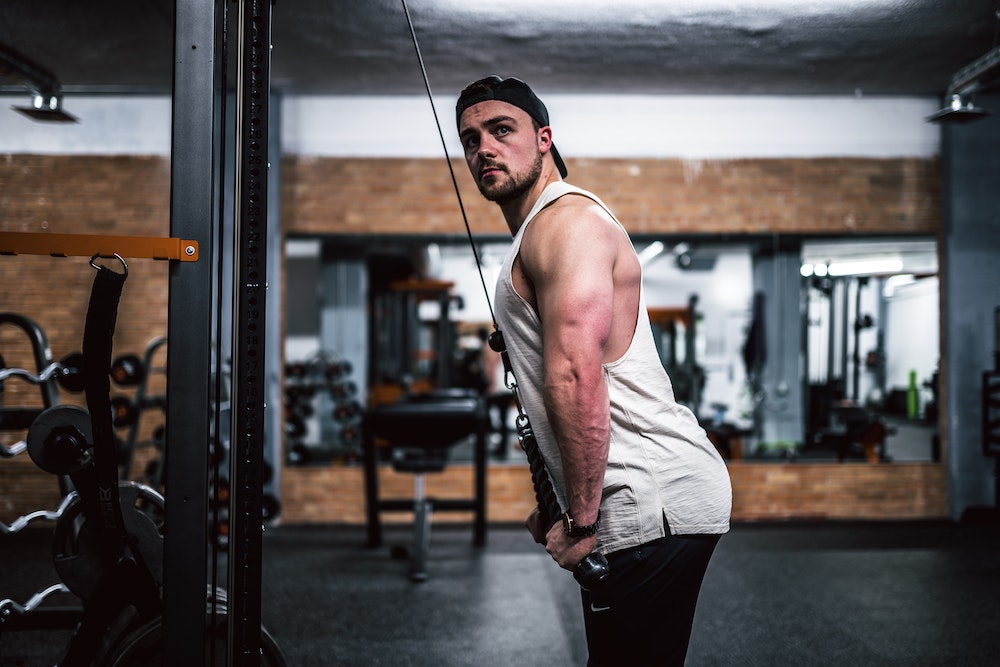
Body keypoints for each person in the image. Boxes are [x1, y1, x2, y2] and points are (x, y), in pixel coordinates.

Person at [455, 76, 733, 666]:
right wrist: (558, 499)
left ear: (545, 139)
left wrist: (581, 520)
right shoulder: (542, 232)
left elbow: (576, 376)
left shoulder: (568, 222)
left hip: (647, 499)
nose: (484, 148)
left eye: (502, 130)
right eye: (471, 138)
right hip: (631, 500)